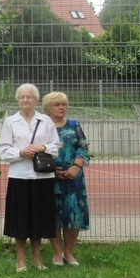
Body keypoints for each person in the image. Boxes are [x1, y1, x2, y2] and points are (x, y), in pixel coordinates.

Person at [0, 83, 60, 272]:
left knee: (39, 218)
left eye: (29, 97)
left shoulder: (46, 121)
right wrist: (21, 153)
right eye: (22, 97)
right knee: (20, 219)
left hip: (42, 178)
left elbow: (56, 146)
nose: (26, 100)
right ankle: (20, 258)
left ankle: (37, 258)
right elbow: (3, 150)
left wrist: (42, 148)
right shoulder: (10, 122)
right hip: (20, 177)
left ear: (36, 100)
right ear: (18, 100)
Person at [43, 91, 90, 266]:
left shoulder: (74, 125)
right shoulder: (43, 127)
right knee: (53, 215)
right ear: (48, 108)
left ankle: (68, 252)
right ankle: (56, 253)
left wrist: (76, 167)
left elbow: (83, 147)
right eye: (57, 104)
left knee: (74, 215)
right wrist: (53, 170)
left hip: (74, 178)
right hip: (50, 177)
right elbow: (40, 151)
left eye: (64, 104)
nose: (61, 107)